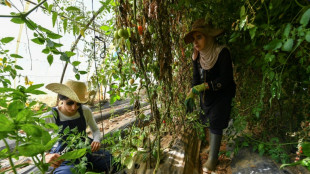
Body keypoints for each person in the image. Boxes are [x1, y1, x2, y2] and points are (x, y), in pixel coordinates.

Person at [184, 18, 236, 171]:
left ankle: (213, 159)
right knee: (208, 120)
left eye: (199, 37)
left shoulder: (222, 52)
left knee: (216, 122)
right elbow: (196, 78)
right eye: (194, 39)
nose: (195, 42)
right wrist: (192, 92)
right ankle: (213, 149)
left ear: (210, 37)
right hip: (206, 96)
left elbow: (226, 78)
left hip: (222, 94)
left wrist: (205, 86)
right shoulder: (197, 56)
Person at [43, 80, 112, 174]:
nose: (74, 107)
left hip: (87, 151)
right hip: (65, 157)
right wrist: (45, 156)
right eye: (70, 103)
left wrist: (96, 140)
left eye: (78, 104)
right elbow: (35, 142)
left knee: (113, 162)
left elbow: (95, 130)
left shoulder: (85, 111)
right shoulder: (52, 116)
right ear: (61, 99)